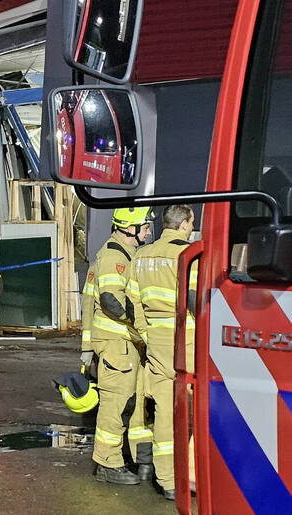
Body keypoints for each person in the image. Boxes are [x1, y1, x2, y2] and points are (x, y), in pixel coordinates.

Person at [82, 206, 153, 485]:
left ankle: (139, 459)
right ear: (128, 228)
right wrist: (144, 326)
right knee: (117, 403)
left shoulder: (122, 254)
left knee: (133, 404)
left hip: (124, 344)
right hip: (117, 344)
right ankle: (107, 463)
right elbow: (111, 300)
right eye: (144, 226)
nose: (147, 231)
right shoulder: (114, 257)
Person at [130, 205, 196, 501]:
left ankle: (167, 480)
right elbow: (197, 300)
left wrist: (146, 334)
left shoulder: (141, 256)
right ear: (183, 224)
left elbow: (132, 302)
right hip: (188, 339)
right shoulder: (189, 254)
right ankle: (190, 477)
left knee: (163, 411)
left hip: (155, 339)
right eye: (191, 223)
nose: (192, 229)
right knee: (192, 410)